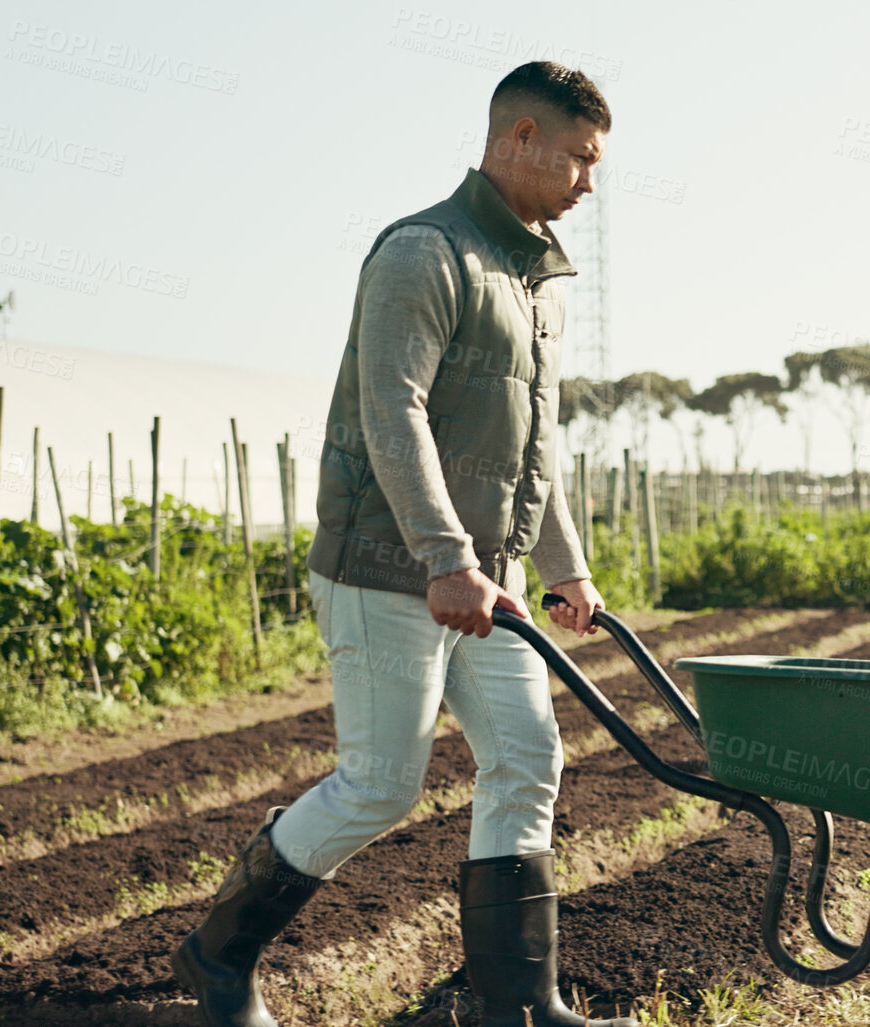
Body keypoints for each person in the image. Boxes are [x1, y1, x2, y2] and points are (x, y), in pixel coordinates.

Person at [170, 63, 636, 1027]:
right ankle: (218, 952)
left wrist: (564, 567)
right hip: (391, 567)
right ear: (517, 139)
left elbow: (532, 444)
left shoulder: (534, 278)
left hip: (484, 585)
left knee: (526, 755)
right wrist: (444, 556)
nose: (590, 182)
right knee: (382, 784)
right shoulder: (424, 253)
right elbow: (394, 409)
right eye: (580, 160)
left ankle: (515, 1003)